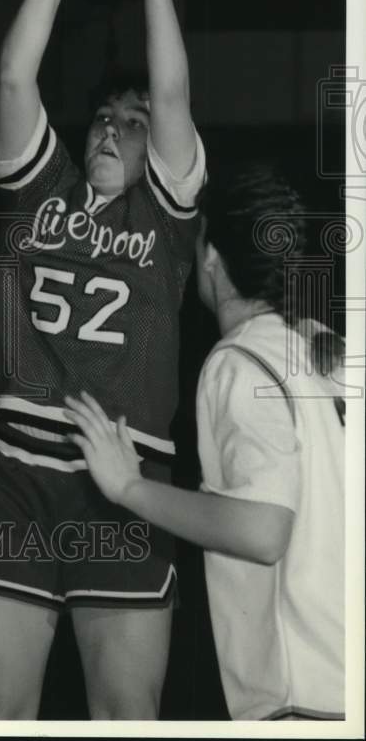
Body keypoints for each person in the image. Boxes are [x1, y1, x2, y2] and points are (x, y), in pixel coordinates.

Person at [0, 0, 205, 720]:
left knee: (126, 716)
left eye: (130, 123)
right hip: (7, 470)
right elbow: (15, 80)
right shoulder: (39, 186)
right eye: (101, 114)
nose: (110, 126)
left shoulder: (165, 219)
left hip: (123, 477)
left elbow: (171, 95)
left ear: (154, 148)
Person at [65, 164, 345, 721]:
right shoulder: (320, 359)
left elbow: (264, 530)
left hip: (306, 702)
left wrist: (129, 488)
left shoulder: (239, 361)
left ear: (212, 257)